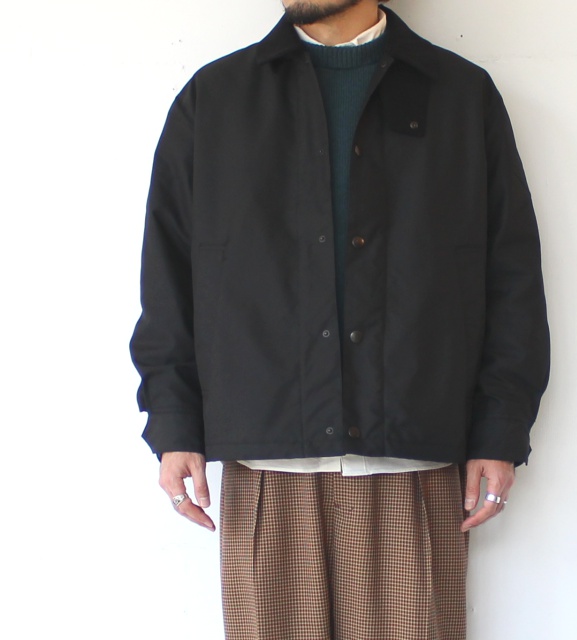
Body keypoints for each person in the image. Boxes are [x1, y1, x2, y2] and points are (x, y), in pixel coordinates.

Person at [130, 1, 550, 638]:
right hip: (267, 466)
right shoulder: (216, 100)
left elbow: (511, 275)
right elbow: (169, 274)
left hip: (410, 463)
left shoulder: (460, 96)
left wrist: (500, 428)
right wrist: (173, 420)